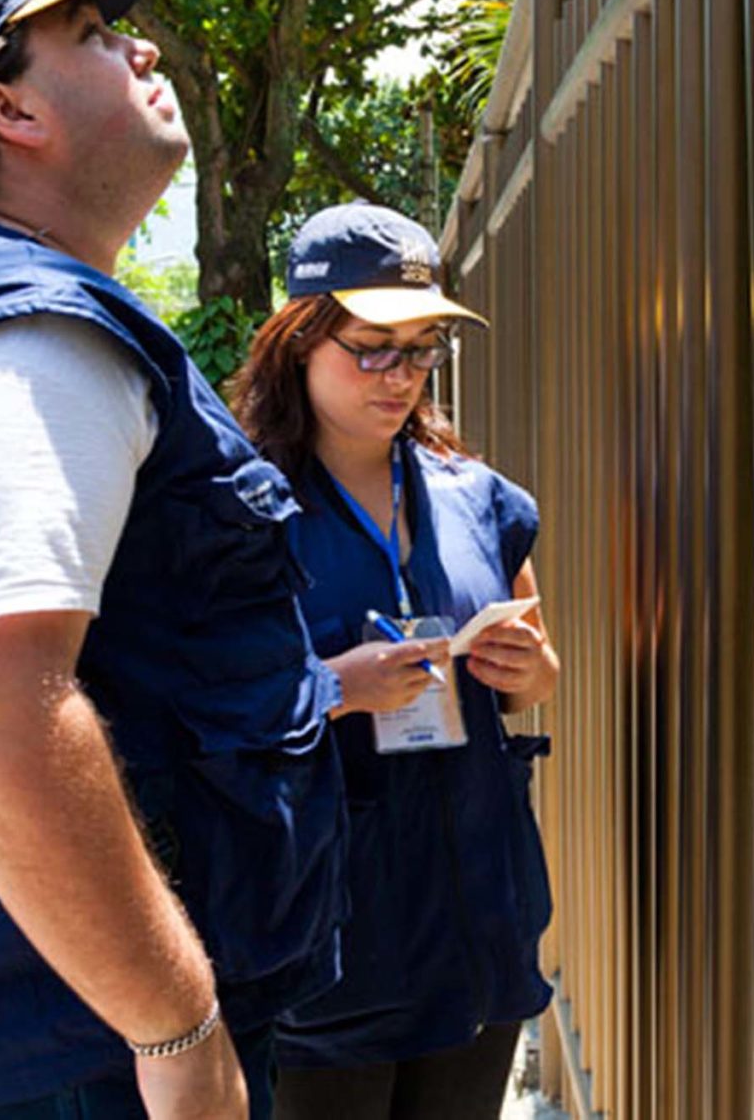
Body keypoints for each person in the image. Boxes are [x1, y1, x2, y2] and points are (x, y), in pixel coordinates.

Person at [0, 0, 378, 1119]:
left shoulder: (5, 310)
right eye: (94, 33)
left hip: (57, 1037)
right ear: (9, 111)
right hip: (72, 1059)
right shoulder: (9, 329)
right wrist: (175, 1029)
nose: (141, 45)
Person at [228, 203, 561, 1119]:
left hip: (477, 924)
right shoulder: (240, 511)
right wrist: (337, 686)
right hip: (327, 942)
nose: (402, 375)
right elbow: (194, 706)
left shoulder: (477, 497)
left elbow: (540, 677)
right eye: (372, 348)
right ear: (300, 340)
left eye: (421, 350)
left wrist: (528, 669)